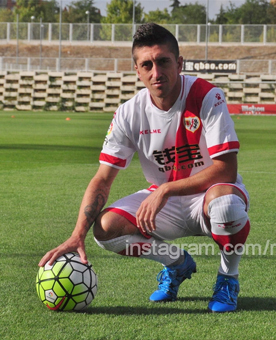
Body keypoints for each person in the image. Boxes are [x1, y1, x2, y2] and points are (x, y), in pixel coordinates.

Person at [38, 23, 250, 313]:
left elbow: (225, 170)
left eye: (163, 62)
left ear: (179, 63)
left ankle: (228, 278)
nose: (156, 72)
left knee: (226, 205)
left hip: (208, 195)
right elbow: (103, 178)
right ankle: (176, 263)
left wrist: (165, 189)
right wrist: (78, 234)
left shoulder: (207, 95)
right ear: (137, 70)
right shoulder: (128, 112)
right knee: (105, 229)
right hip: (164, 203)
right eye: (147, 65)